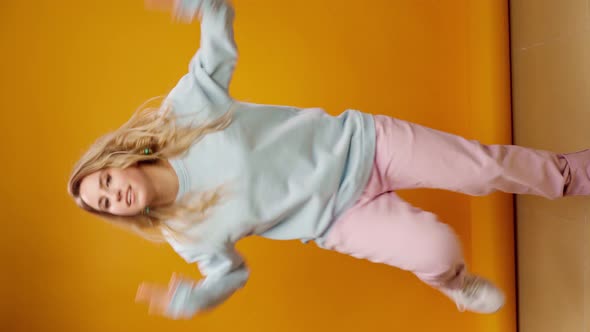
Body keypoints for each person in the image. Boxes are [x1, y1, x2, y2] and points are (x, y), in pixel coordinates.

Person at [68, 0, 590, 319]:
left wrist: (201, 4)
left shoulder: (183, 116)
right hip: (341, 218)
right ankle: (455, 284)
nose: (115, 195)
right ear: (120, 215)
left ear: (120, 161)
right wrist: (196, 301)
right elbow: (229, 275)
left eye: (107, 183)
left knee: (485, 166)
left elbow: (218, 43)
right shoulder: (187, 235)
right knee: (437, 249)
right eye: (107, 204)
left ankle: (574, 173)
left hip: (365, 143)